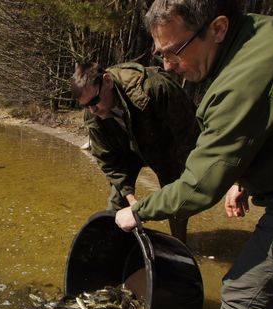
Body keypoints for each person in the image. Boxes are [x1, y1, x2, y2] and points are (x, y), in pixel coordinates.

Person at [115, 0, 273, 309]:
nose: (169, 66)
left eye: (175, 52)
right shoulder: (270, 32)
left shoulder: (242, 81)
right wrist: (244, 181)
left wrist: (137, 212)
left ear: (217, 29)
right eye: (160, 54)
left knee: (241, 293)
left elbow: (200, 185)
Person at [71, 61, 199, 242]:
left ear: (107, 81)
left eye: (94, 101)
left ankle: (180, 246)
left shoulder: (154, 87)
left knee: (176, 205)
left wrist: (190, 174)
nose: (92, 110)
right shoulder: (93, 114)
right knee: (116, 204)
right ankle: (113, 247)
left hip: (164, 149)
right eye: (85, 106)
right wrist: (132, 201)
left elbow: (189, 130)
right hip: (126, 152)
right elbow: (108, 160)